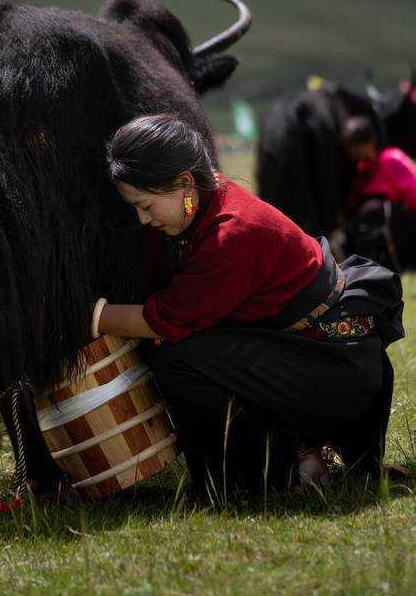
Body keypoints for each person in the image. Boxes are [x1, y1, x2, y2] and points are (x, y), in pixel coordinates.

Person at [91, 114, 404, 498]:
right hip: (317, 356)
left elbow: (165, 318)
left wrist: (93, 317)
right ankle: (292, 451)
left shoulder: (231, 234)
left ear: (185, 183)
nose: (142, 219)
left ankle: (260, 475)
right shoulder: (209, 200)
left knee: (178, 356)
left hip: (333, 373)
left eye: (146, 205)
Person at [341, 116, 416, 269]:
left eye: (358, 145)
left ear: (371, 142)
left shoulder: (391, 159)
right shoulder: (362, 169)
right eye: (350, 147)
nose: (353, 151)